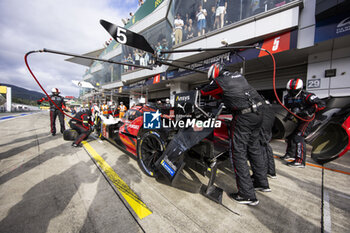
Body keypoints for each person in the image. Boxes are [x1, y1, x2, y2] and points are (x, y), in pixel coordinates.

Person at [200, 63, 269, 205]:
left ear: (214, 74)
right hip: (259, 113)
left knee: (238, 153)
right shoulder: (238, 76)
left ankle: (247, 194)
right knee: (254, 148)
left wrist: (203, 88)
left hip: (243, 117)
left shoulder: (219, 81)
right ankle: (261, 182)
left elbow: (203, 92)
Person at [280, 78, 326, 167]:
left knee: (298, 137)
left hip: (307, 119)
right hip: (296, 118)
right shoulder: (287, 97)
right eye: (290, 91)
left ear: (300, 89)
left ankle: (300, 161)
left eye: (294, 91)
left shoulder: (307, 96)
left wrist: (309, 110)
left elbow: (322, 104)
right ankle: (290, 154)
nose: (292, 93)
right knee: (289, 135)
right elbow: (286, 108)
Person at [259, 100, 276, 178]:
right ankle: (271, 172)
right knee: (267, 147)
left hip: (262, 127)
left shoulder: (258, 104)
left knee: (261, 149)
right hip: (268, 127)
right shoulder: (268, 106)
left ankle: (263, 173)